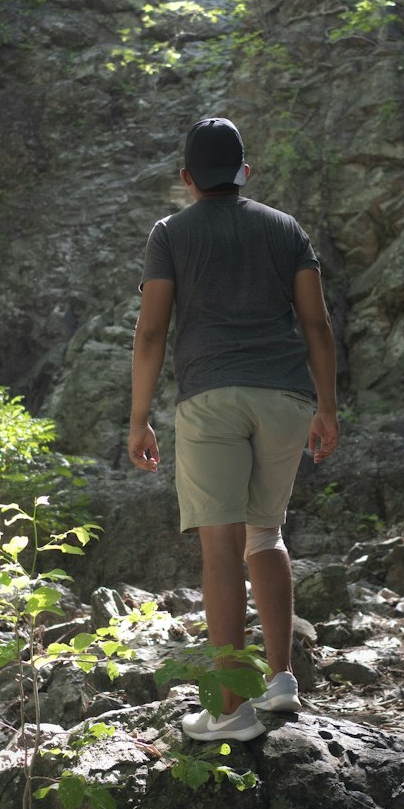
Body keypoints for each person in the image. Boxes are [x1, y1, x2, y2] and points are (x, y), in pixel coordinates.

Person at [128, 115, 340, 743]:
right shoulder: (286, 229)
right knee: (266, 534)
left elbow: (150, 333)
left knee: (220, 547)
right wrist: (326, 408)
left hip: (212, 397)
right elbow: (317, 326)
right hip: (285, 398)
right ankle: (280, 682)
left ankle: (229, 710)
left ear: (188, 178)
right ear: (244, 172)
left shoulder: (170, 234)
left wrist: (139, 419)